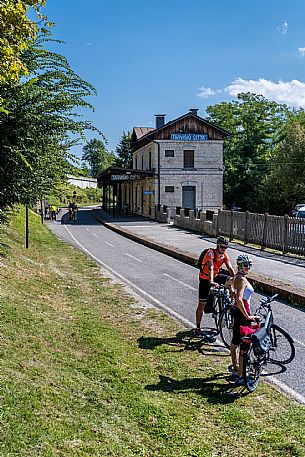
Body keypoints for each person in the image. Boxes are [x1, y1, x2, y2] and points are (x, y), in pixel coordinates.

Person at [227, 254, 258, 385]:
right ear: (240, 266)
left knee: (235, 342)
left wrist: (231, 290)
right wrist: (248, 316)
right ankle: (240, 376)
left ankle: (235, 368)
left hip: (236, 313)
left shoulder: (236, 278)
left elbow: (227, 283)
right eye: (246, 265)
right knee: (244, 345)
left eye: (249, 265)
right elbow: (239, 299)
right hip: (242, 315)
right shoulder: (242, 280)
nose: (248, 267)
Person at [194, 236, 235, 337]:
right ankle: (198, 327)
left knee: (231, 280)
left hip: (215, 276)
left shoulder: (224, 255)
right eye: (221, 247)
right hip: (205, 279)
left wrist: (237, 280)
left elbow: (230, 268)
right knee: (201, 304)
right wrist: (211, 281)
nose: (223, 249)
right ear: (217, 246)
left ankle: (229, 298)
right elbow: (211, 267)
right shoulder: (210, 253)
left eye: (225, 247)